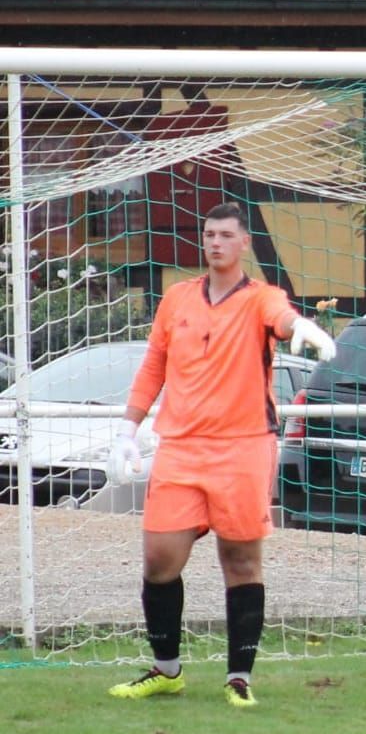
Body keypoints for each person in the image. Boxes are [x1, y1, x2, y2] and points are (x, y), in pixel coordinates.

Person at [107, 201, 336, 707]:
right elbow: (154, 367)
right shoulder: (176, 299)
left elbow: (279, 317)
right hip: (181, 448)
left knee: (240, 559)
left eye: (226, 235)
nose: (215, 242)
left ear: (243, 243)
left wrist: (298, 329)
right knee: (159, 558)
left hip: (243, 448)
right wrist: (128, 428)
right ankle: (166, 670)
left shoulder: (261, 298)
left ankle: (239, 678)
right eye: (209, 234)